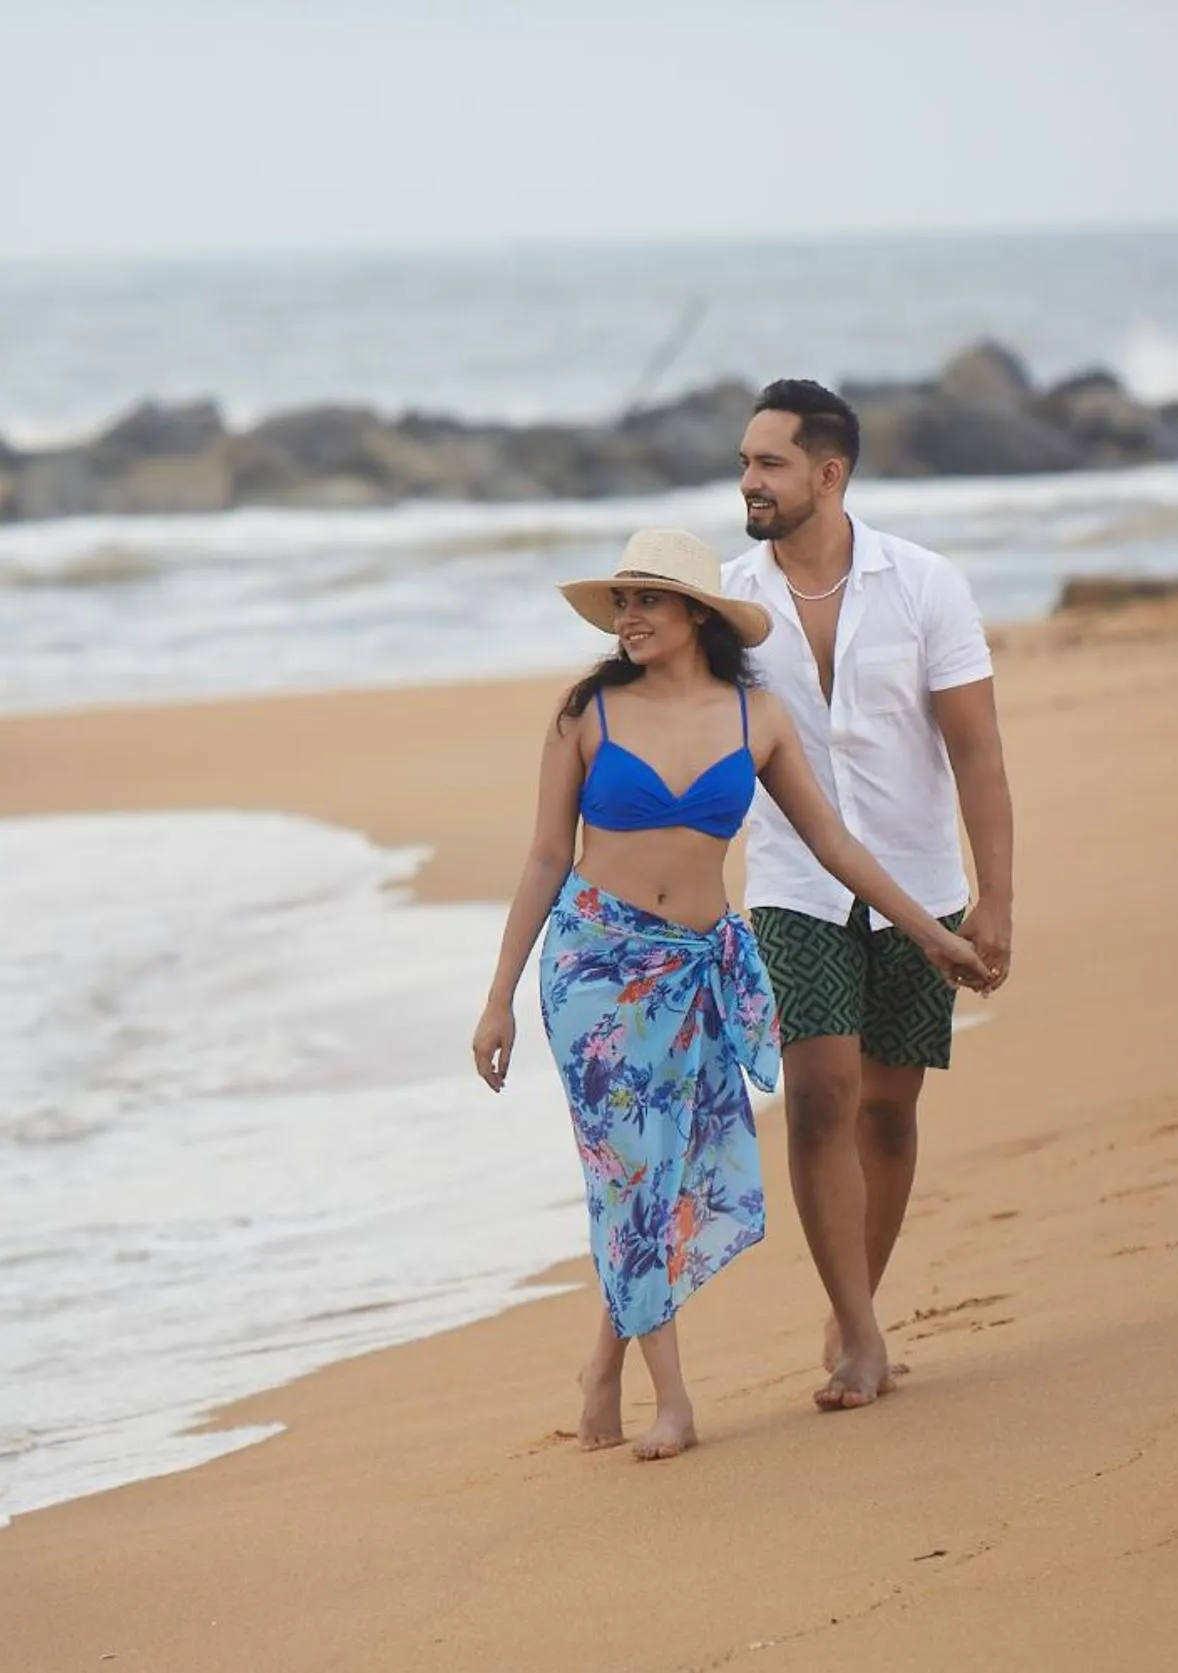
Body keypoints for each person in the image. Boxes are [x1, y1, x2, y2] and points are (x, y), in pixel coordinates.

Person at [471, 528, 992, 1459]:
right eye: (621, 602)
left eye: (648, 601)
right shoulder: (586, 712)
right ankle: (672, 1399)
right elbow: (547, 854)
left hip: (700, 967)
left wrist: (930, 932)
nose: (628, 618)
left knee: (662, 1168)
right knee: (631, 1166)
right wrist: (499, 995)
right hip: (595, 966)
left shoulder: (759, 717)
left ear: (697, 615)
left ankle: (603, 1364)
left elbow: (834, 844)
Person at [720, 379, 1017, 1413]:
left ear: (829, 472)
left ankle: (858, 1301)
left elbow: (976, 751)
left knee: (889, 1108)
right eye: (745, 462)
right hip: (794, 884)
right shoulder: (727, 603)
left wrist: (994, 899)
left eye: (769, 463)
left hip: (919, 888)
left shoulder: (924, 584)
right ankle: (858, 1330)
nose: (748, 480)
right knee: (818, 1094)